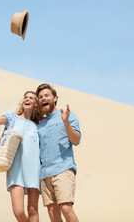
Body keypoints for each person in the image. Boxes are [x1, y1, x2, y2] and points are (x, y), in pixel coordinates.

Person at [0, 87, 41, 222]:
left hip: (34, 169)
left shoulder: (38, 124)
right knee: (19, 212)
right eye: (25, 97)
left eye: (31, 98)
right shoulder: (12, 117)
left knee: (33, 210)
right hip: (15, 169)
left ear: (36, 104)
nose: (27, 99)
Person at [36, 83, 81, 222]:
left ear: (55, 98)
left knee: (66, 208)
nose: (44, 98)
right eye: (41, 97)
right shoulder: (39, 124)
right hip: (45, 173)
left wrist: (66, 122)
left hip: (63, 169)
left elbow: (76, 140)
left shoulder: (68, 116)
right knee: (52, 213)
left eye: (47, 95)